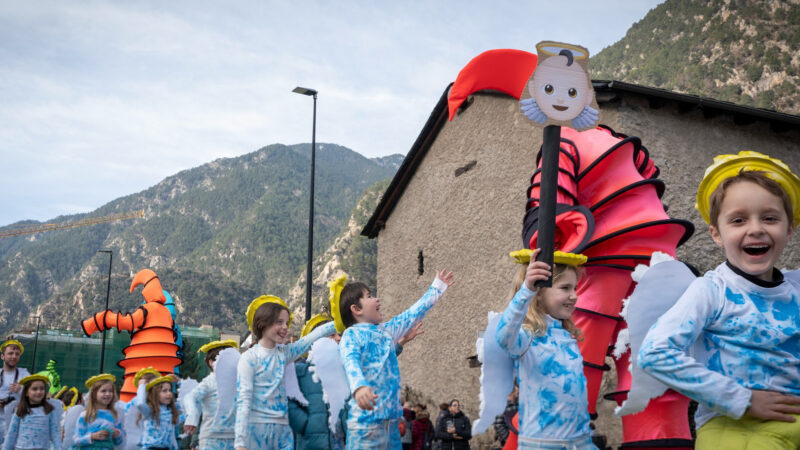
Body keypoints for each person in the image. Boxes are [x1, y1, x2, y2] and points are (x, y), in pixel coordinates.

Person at [638, 152, 800, 449]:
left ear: (789, 228)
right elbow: (654, 353)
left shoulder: (796, 289)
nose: (756, 228)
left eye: (770, 218)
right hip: (731, 425)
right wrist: (743, 399)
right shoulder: (711, 291)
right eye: (738, 220)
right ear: (716, 234)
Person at [339, 268, 454, 448]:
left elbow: (412, 314)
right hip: (366, 427)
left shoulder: (386, 331)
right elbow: (350, 361)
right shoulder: (351, 335)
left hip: (392, 424)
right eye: (369, 296)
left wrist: (437, 287)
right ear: (356, 309)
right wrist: (359, 387)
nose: (377, 299)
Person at [495, 249, 594, 449]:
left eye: (575, 288)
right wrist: (526, 290)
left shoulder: (566, 336)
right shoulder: (526, 336)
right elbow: (503, 337)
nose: (574, 296)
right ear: (539, 293)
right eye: (565, 288)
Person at [234, 295, 336, 450]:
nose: (285, 327)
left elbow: (312, 337)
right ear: (262, 324)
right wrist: (240, 442)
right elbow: (244, 398)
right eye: (279, 322)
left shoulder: (284, 354)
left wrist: (341, 320)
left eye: (287, 323)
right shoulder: (249, 358)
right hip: (258, 430)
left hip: (283, 431)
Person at [183, 339, 238, 450]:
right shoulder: (209, 382)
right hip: (211, 440)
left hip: (235, 438)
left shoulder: (238, 381)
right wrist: (192, 416)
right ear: (211, 363)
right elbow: (190, 397)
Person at [2, 374, 60, 450]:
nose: (39, 392)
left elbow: (55, 433)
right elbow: (11, 434)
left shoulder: (49, 410)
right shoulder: (20, 410)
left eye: (42, 388)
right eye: (34, 389)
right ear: (26, 392)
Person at [73, 374, 125, 448]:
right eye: (103, 391)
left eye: (111, 391)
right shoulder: (85, 415)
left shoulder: (115, 416)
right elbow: (76, 441)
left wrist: (117, 434)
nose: (108, 394)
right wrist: (92, 437)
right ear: (94, 394)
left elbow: (120, 443)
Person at [133, 375, 181, 450]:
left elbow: (185, 403)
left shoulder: (171, 411)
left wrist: (179, 382)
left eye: (170, 390)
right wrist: (142, 385)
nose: (169, 393)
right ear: (154, 394)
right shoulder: (150, 411)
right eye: (164, 391)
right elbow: (140, 404)